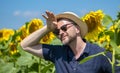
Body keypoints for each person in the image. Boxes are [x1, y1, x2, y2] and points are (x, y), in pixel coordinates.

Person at [20, 11, 119, 73]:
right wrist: (48, 28)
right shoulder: (58, 54)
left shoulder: (100, 54)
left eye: (64, 28)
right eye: (57, 31)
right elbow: (25, 45)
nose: (61, 33)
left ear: (77, 29)